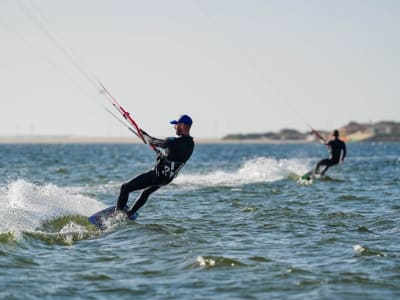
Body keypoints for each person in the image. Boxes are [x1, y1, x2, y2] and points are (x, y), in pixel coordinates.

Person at [117, 114, 195, 218]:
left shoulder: (173, 141)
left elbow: (154, 142)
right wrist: (163, 155)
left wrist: (144, 135)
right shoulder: (191, 144)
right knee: (145, 193)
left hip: (157, 176)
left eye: (176, 124)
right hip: (167, 179)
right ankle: (130, 213)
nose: (174, 127)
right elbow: (175, 156)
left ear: (183, 126)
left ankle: (116, 215)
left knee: (125, 188)